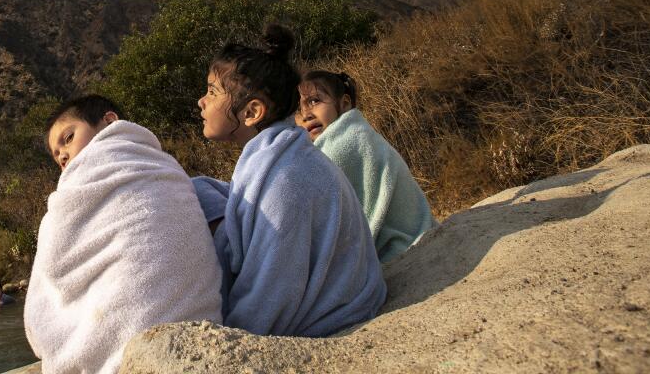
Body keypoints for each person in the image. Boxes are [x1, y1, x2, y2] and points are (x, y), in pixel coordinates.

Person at [191, 25, 386, 337]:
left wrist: (230, 332)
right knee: (197, 188)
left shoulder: (285, 181)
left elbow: (270, 299)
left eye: (213, 92)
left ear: (252, 112)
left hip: (329, 318)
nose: (202, 101)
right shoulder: (276, 155)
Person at [25, 95, 222, 374]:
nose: (64, 156)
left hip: (137, 343)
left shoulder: (159, 169)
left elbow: (52, 273)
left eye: (68, 138)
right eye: (58, 158)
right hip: (199, 329)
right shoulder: (166, 165)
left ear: (110, 121)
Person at [296, 70, 437, 263]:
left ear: (344, 104)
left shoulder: (344, 144)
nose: (306, 115)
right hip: (417, 233)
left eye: (314, 101)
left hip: (401, 246)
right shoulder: (355, 132)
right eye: (298, 109)